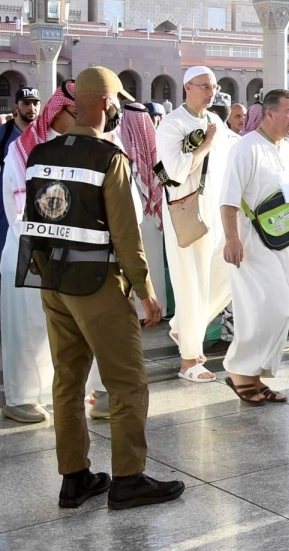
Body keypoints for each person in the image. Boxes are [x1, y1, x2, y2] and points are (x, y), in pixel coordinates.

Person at [27, 67, 184, 509]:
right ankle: (129, 479)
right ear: (104, 103)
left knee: (67, 382)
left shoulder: (41, 152)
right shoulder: (108, 158)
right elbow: (126, 234)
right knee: (128, 381)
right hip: (96, 284)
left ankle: (74, 477)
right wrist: (145, 290)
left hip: (53, 283)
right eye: (116, 101)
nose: (117, 109)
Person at [220, 89, 289, 404]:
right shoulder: (246, 149)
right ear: (269, 114)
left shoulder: (287, 151)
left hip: (282, 238)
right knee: (262, 308)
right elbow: (228, 198)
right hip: (251, 243)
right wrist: (232, 239)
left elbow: (287, 194)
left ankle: (255, 375)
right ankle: (239, 372)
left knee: (279, 312)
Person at [1, 85, 75, 424]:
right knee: (26, 327)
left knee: (50, 327)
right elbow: (19, 210)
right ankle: (19, 398)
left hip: (58, 249)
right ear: (58, 112)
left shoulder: (68, 147)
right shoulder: (22, 150)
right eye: (75, 113)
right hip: (26, 248)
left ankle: (44, 394)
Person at [156, 66, 235, 383]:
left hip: (214, 211)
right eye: (205, 86)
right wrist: (205, 144)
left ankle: (183, 327)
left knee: (226, 273)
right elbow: (172, 171)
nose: (211, 91)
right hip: (185, 212)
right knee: (191, 281)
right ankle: (189, 359)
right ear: (188, 87)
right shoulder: (172, 124)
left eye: (214, 86)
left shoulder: (214, 121)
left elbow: (230, 157)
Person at [118, 102, 167, 311]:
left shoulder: (154, 148)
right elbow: (167, 181)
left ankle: (154, 306)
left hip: (144, 215)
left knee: (148, 259)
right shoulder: (121, 148)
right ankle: (151, 307)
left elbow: (167, 181)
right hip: (139, 214)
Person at [0, 86, 40, 242]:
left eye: (35, 103)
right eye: (26, 103)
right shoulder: (4, 133)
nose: (32, 108)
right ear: (16, 107)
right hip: (7, 201)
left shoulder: (43, 134)